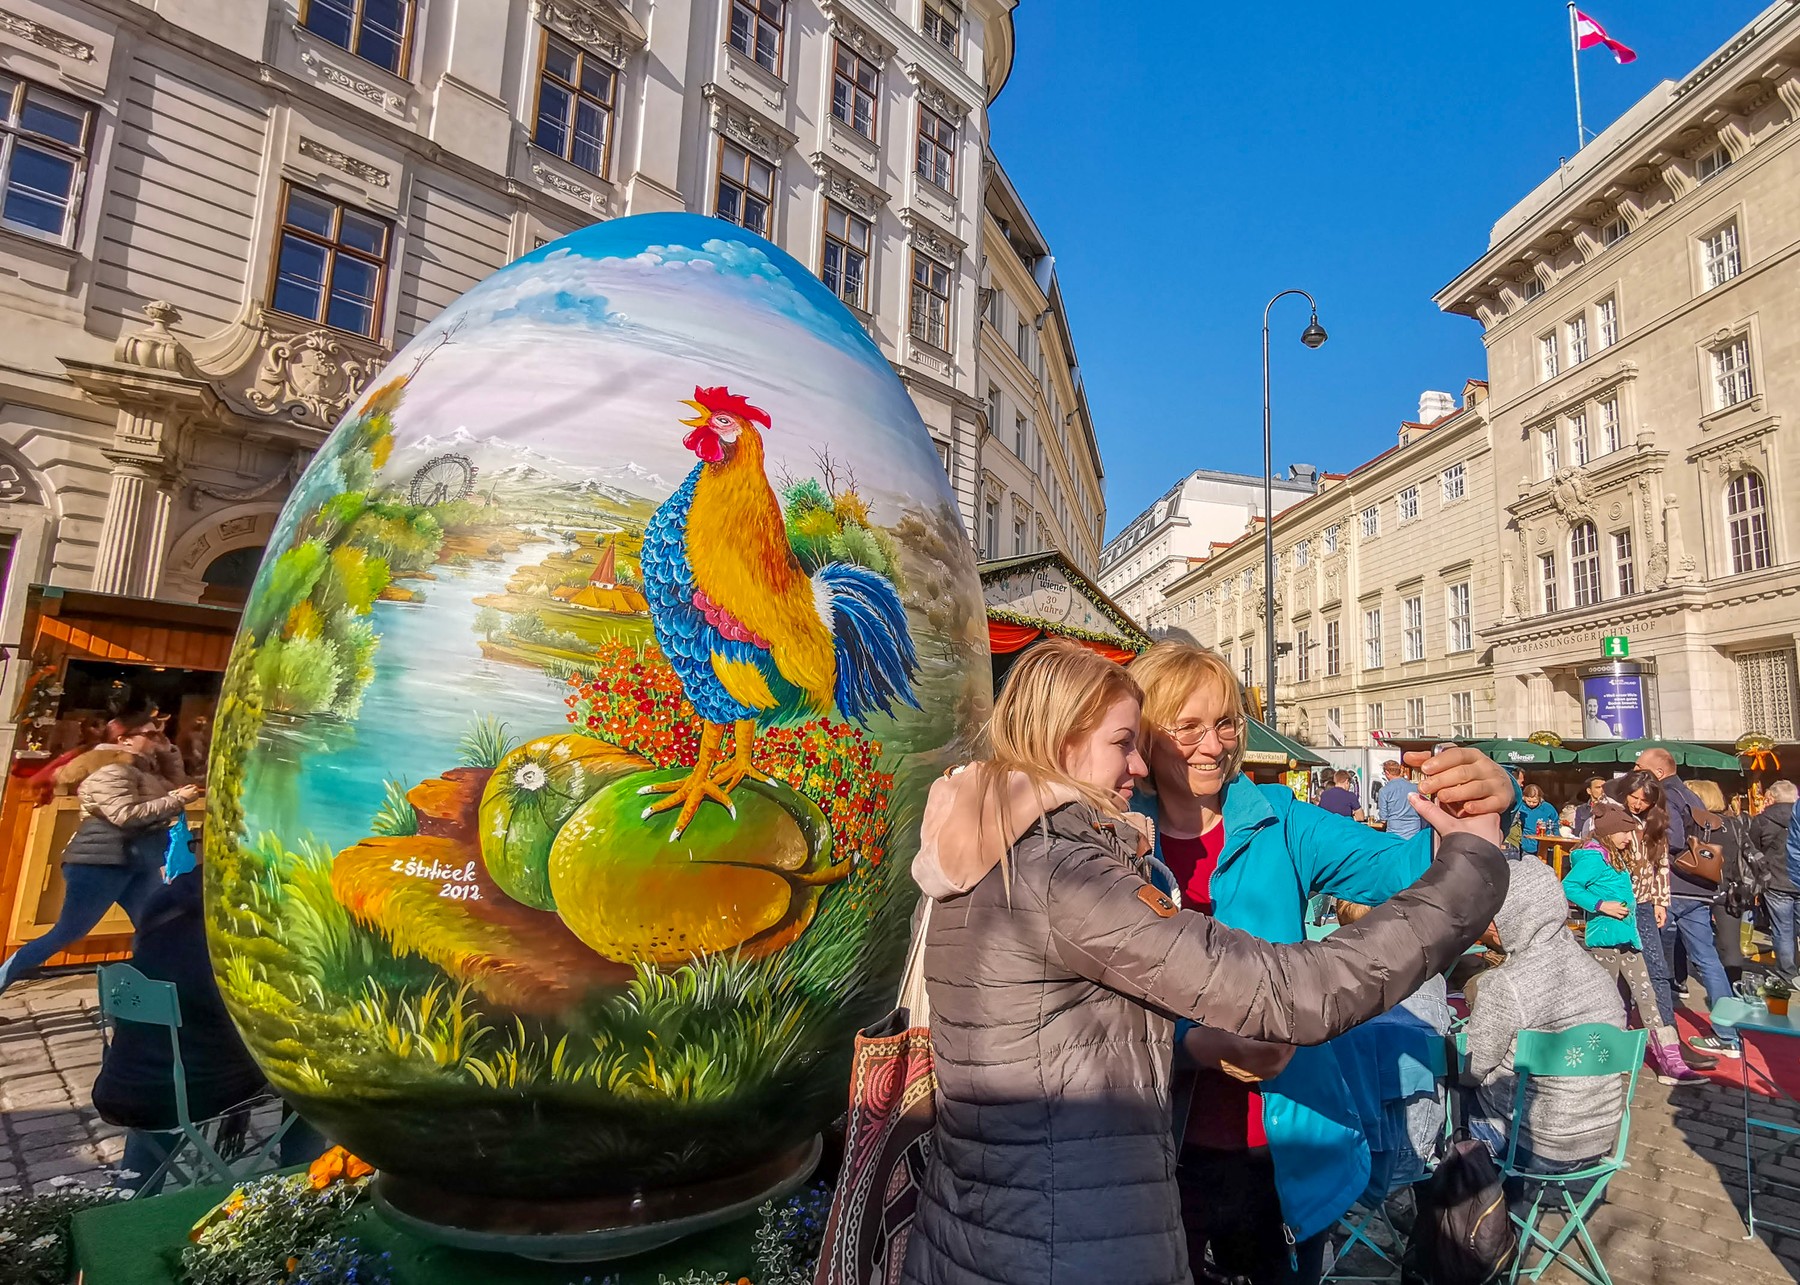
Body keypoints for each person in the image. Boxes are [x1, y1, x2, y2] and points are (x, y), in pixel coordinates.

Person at [910, 640, 1520, 1285]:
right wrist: (1195, 1045)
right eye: (1188, 727)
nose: (1214, 744)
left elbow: (1404, 869)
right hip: (1151, 1150)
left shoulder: (1276, 820)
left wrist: (1474, 810)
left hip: (1281, 1134)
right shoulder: (1102, 841)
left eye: (1226, 723)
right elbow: (1083, 1020)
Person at [92, 867, 327, 1192]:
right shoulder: (241, 934)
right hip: (199, 1090)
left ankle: (131, 1196)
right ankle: (302, 1187)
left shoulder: (162, 905)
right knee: (313, 1082)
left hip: (124, 1083)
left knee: (171, 1063)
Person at [0, 711, 201, 999]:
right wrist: (177, 800)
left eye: (159, 733)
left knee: (156, 926)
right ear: (124, 740)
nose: (158, 737)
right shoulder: (111, 769)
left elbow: (174, 783)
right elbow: (124, 815)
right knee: (67, 933)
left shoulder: (142, 769)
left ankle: (153, 998)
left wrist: (168, 751)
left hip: (136, 860)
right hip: (101, 863)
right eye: (150, 734)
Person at [1463, 857, 1628, 1180]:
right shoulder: (1595, 973)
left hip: (1531, 1144)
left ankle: (1465, 1211)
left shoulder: (1507, 983)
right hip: (1599, 1138)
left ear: (1509, 916)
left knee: (1445, 1089)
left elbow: (1471, 1067)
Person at [1562, 808, 1698, 1085]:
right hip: (1605, 940)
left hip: (1628, 938)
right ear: (1609, 832)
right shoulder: (1593, 857)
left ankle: (1670, 1062)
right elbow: (1569, 886)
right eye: (1625, 832)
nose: (1629, 837)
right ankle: (1603, 1057)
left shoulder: (1616, 856)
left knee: (1646, 997)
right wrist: (1601, 906)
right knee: (1606, 999)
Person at [1638, 748, 1739, 1059]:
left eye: (1639, 767)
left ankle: (1660, 1031)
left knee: (1655, 960)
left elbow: (1675, 839)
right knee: (1707, 960)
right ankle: (1728, 1034)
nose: (1634, 770)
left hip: (1671, 889)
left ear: (1657, 772)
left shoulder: (1665, 796)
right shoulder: (1692, 794)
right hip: (1697, 887)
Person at [1752, 781, 1799, 981]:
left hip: (1776, 881)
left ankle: (1787, 972)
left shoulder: (1763, 820)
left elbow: (1753, 849)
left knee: (1783, 929)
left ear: (1773, 797)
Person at [1375, 759, 1423, 839]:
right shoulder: (1415, 788)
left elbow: (1383, 818)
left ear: (1387, 772)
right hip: (1414, 828)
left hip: (1395, 829)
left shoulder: (1384, 791)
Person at [1518, 783, 1561, 858]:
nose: (1531, 804)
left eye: (1534, 802)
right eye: (1529, 801)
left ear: (1540, 799)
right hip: (1526, 845)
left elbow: (1555, 824)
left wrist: (1556, 839)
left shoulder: (1547, 808)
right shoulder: (1520, 807)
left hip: (1545, 846)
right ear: (1524, 797)